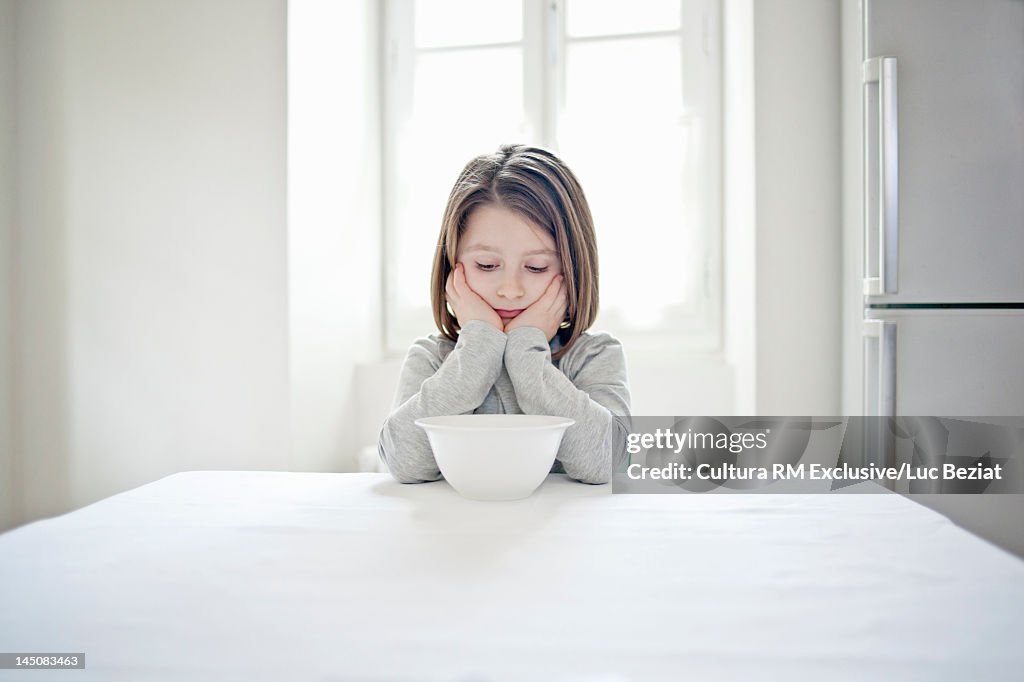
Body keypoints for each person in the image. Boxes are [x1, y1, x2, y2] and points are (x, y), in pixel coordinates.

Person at [378, 144, 631, 485]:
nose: (510, 289)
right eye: (487, 265)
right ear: (454, 266)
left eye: (536, 267)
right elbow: (404, 462)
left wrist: (526, 351)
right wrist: (480, 345)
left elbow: (612, 462)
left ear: (571, 269)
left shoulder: (594, 356)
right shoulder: (433, 359)